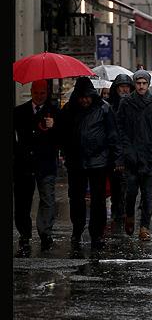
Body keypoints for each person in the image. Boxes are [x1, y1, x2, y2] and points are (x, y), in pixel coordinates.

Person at [58, 77, 118, 250]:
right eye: (82, 97)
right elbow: (62, 133)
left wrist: (115, 158)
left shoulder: (104, 108)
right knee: (76, 198)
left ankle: (96, 233)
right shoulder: (69, 109)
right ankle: (77, 229)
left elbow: (112, 135)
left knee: (98, 199)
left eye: (87, 97)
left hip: (98, 161)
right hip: (76, 161)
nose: (85, 100)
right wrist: (66, 152)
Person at [116, 70, 152, 241]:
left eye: (144, 83)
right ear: (134, 84)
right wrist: (126, 150)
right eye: (138, 83)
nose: (141, 86)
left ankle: (145, 227)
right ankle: (129, 215)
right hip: (132, 156)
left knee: (147, 194)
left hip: (149, 157)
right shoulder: (126, 103)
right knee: (130, 192)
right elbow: (120, 127)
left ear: (148, 84)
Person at [13, 80, 60, 255]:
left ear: (47, 93)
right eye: (36, 93)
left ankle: (45, 233)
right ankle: (24, 235)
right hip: (24, 164)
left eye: (42, 93)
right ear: (31, 91)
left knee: (47, 199)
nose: (39, 96)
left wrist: (54, 127)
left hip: (46, 164)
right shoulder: (19, 112)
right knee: (22, 202)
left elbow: (61, 137)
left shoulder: (54, 112)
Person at [105, 74, 133, 234]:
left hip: (129, 150)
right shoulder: (109, 106)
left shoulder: (133, 105)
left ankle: (123, 210)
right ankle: (118, 209)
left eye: (127, 86)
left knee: (126, 183)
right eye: (121, 86)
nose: (124, 89)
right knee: (116, 183)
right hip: (113, 151)